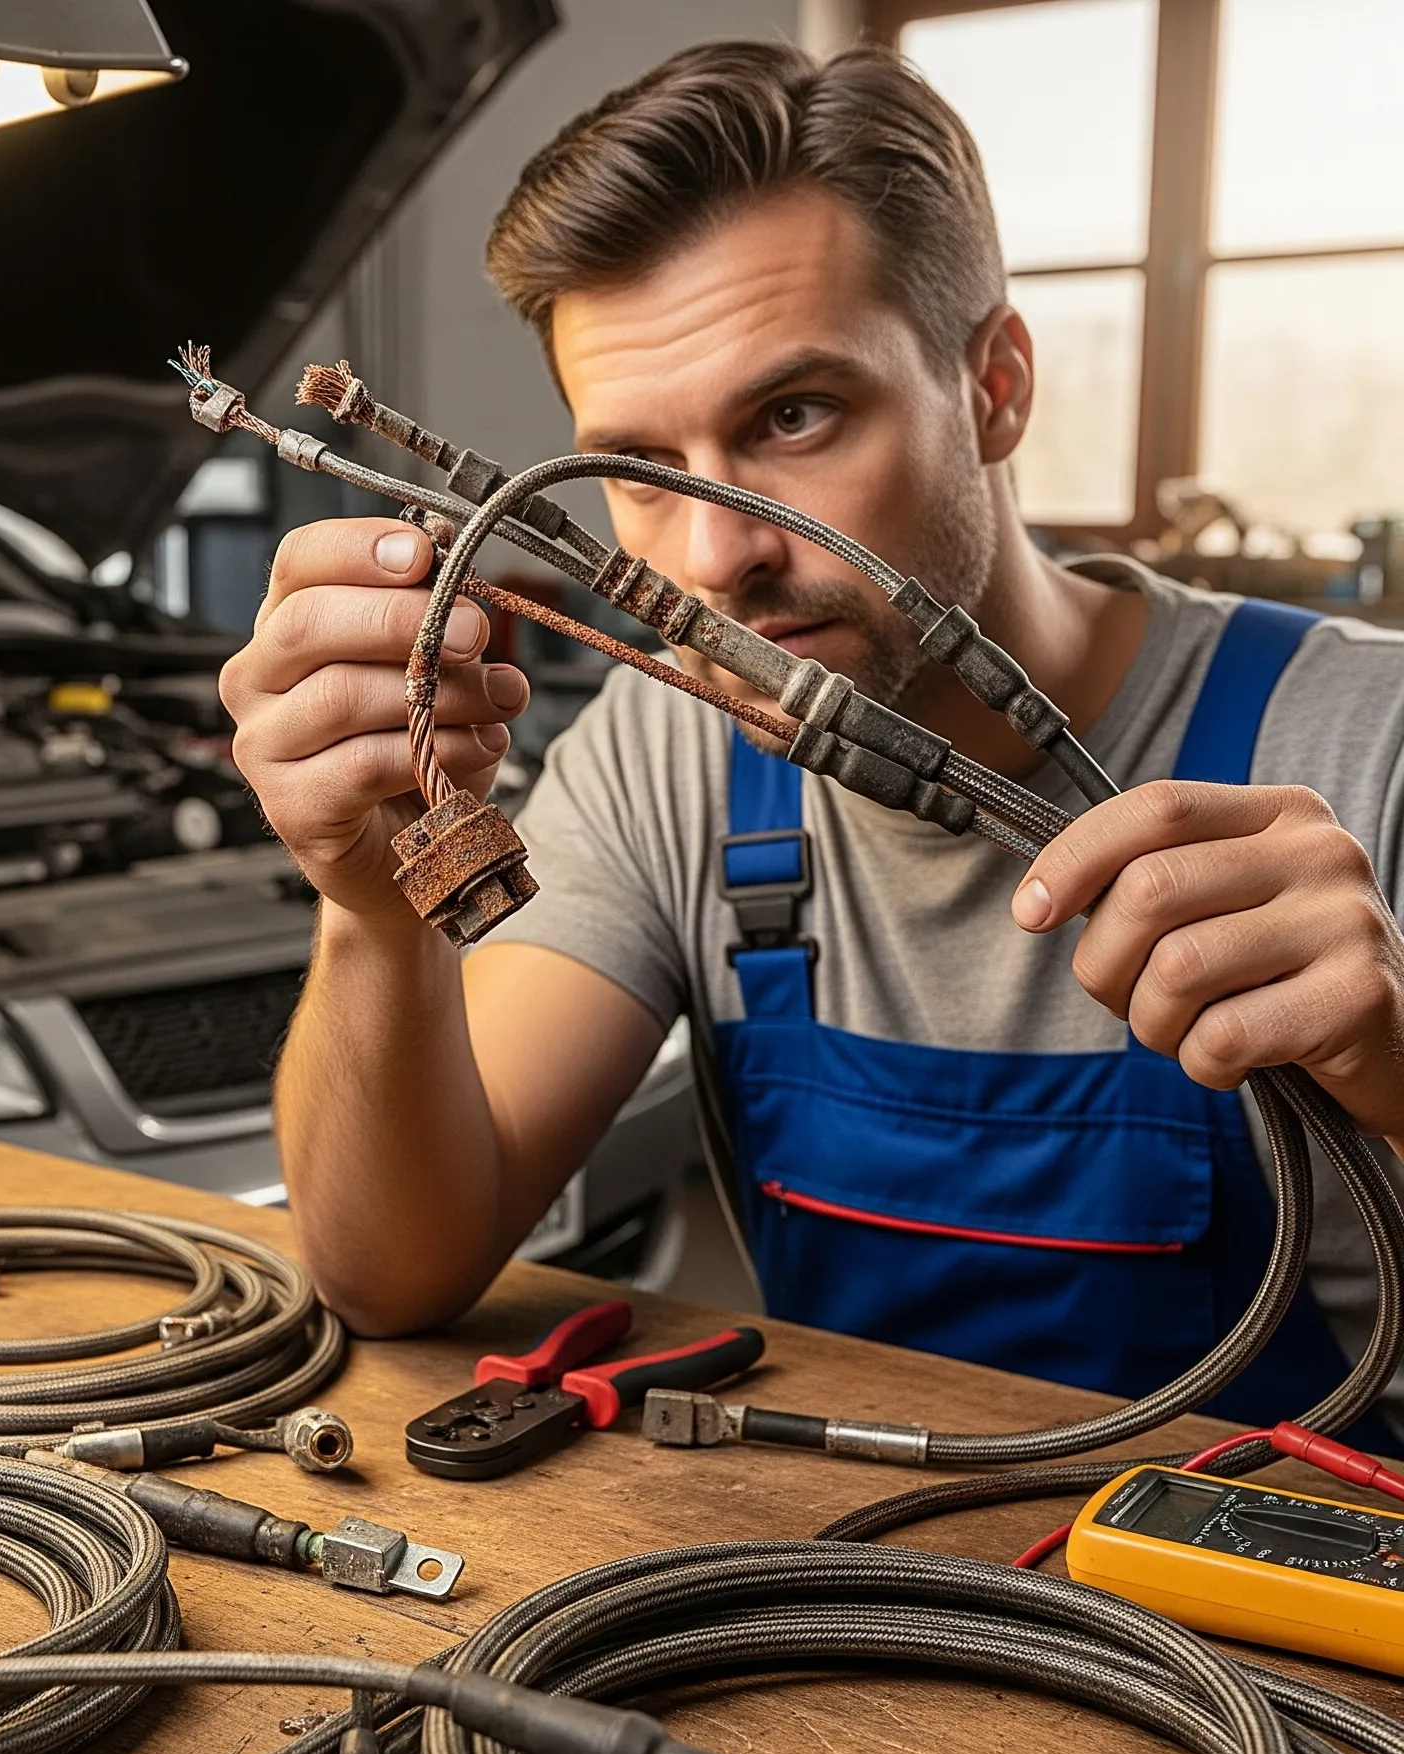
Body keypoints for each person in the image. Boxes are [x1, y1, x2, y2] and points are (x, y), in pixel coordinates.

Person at [217, 39, 1404, 1433]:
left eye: (794, 417)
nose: (716, 557)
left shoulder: (1362, 741)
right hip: (838, 1590)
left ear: (997, 387)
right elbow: (389, 1273)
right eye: (639, 473)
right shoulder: (670, 761)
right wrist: (370, 907)